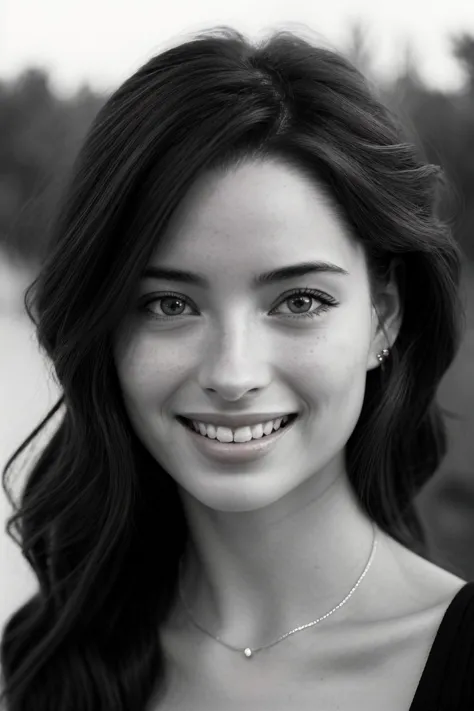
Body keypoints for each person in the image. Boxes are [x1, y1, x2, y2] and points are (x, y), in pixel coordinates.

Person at [1, 25, 473, 711]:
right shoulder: (53, 658)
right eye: (169, 302)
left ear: (384, 317)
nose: (232, 371)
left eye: (299, 300)